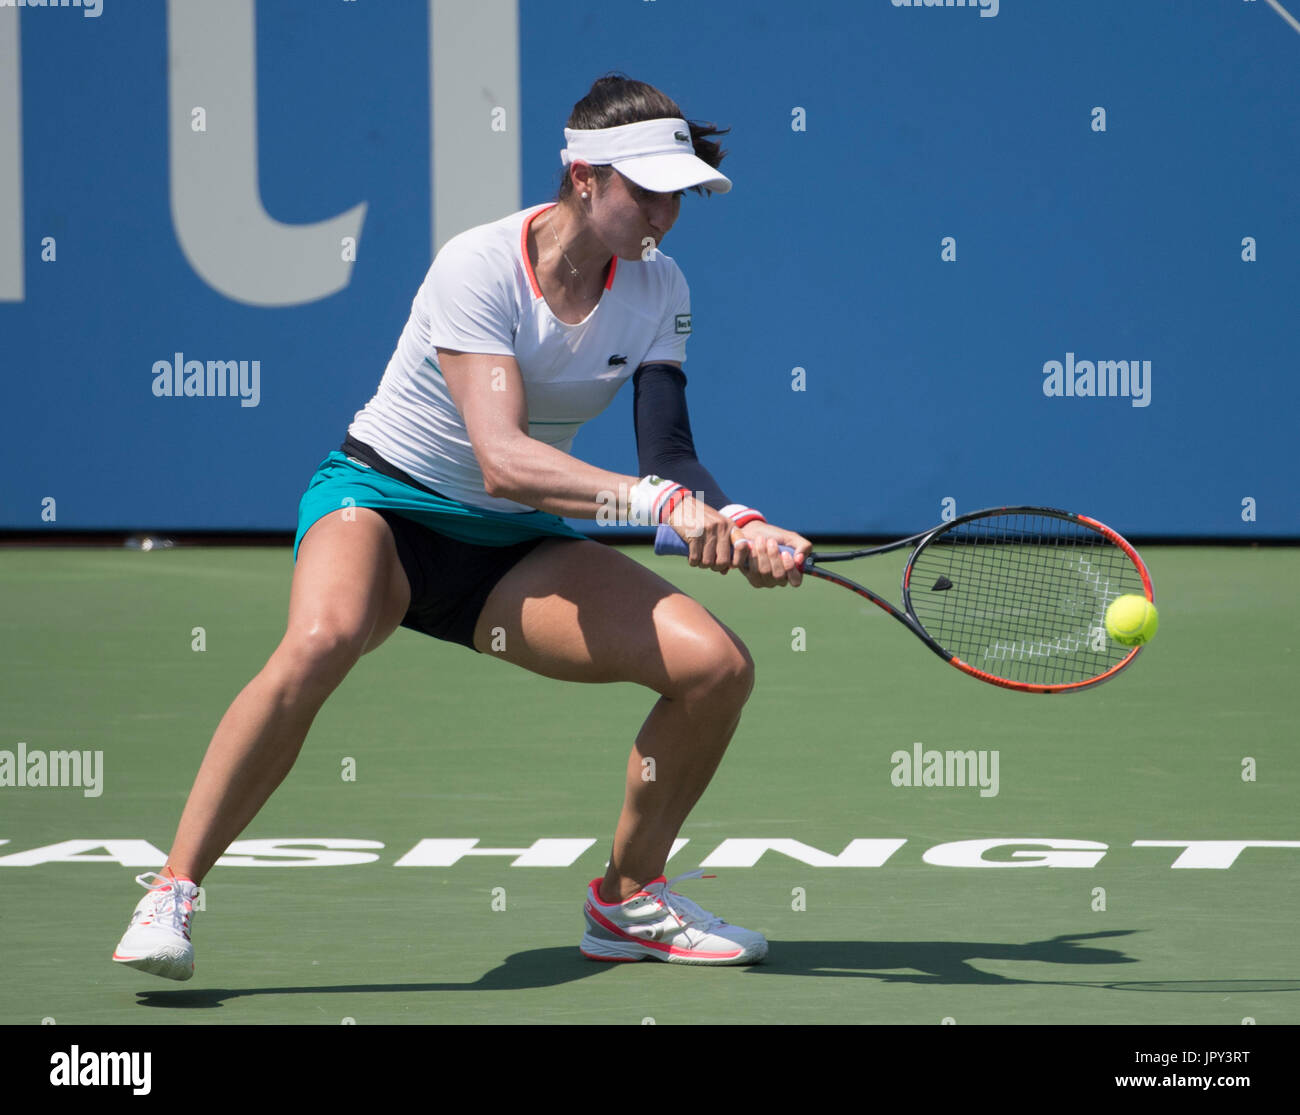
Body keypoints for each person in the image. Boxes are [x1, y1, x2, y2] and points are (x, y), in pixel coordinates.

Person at [112, 73, 812, 979]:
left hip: (509, 553)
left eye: (676, 195)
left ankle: (629, 897)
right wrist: (654, 506)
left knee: (717, 668)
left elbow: (668, 453)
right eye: (645, 190)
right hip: (383, 506)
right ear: (583, 177)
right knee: (322, 638)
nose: (663, 214)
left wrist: (736, 521)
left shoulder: (661, 286)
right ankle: (172, 887)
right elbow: (503, 458)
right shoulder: (476, 265)